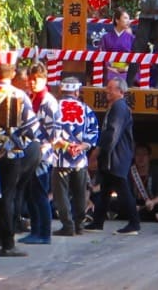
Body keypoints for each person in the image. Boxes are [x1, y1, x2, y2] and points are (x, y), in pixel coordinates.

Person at [0, 63, 39, 257]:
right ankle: (7, 243)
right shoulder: (20, 96)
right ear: (12, 74)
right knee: (8, 196)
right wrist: (19, 142)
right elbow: (32, 127)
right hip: (11, 153)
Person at [89, 77, 140, 234]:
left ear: (120, 91)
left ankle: (134, 223)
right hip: (111, 156)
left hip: (116, 156)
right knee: (104, 189)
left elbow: (112, 133)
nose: (107, 91)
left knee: (122, 189)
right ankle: (98, 222)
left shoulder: (120, 107)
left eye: (111, 88)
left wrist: (99, 152)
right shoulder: (115, 106)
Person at [51, 77, 99, 237]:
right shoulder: (86, 109)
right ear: (77, 92)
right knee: (79, 192)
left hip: (60, 157)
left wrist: (66, 145)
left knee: (61, 193)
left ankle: (67, 225)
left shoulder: (54, 107)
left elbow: (50, 132)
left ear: (60, 90)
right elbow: (93, 133)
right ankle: (79, 225)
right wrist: (81, 146)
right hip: (79, 158)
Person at [21, 62, 57, 245]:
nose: (33, 83)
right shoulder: (31, 98)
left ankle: (45, 233)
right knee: (31, 193)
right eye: (31, 79)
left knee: (40, 194)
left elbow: (54, 134)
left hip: (42, 155)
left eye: (37, 79)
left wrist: (42, 149)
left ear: (44, 79)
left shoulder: (48, 101)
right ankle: (35, 230)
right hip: (30, 153)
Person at [130, 143, 158, 222]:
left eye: (144, 154)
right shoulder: (129, 172)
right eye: (137, 154)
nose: (140, 157)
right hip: (135, 204)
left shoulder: (157, 171)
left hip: (152, 204)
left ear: (149, 157)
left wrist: (152, 202)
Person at [99, 8, 134, 83]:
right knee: (109, 78)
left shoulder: (132, 38)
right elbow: (101, 56)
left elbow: (135, 57)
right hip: (110, 70)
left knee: (130, 79)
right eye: (125, 18)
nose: (128, 21)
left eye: (129, 18)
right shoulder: (106, 38)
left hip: (127, 70)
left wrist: (127, 68)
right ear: (117, 20)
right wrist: (109, 68)